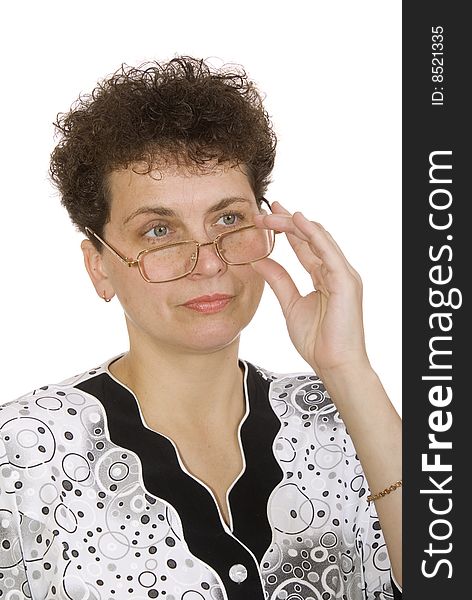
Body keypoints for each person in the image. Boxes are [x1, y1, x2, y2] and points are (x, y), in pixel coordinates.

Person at [0, 56, 402, 600]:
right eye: (159, 230)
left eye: (229, 219)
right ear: (99, 265)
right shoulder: (22, 451)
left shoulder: (341, 416)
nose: (209, 261)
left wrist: (347, 368)